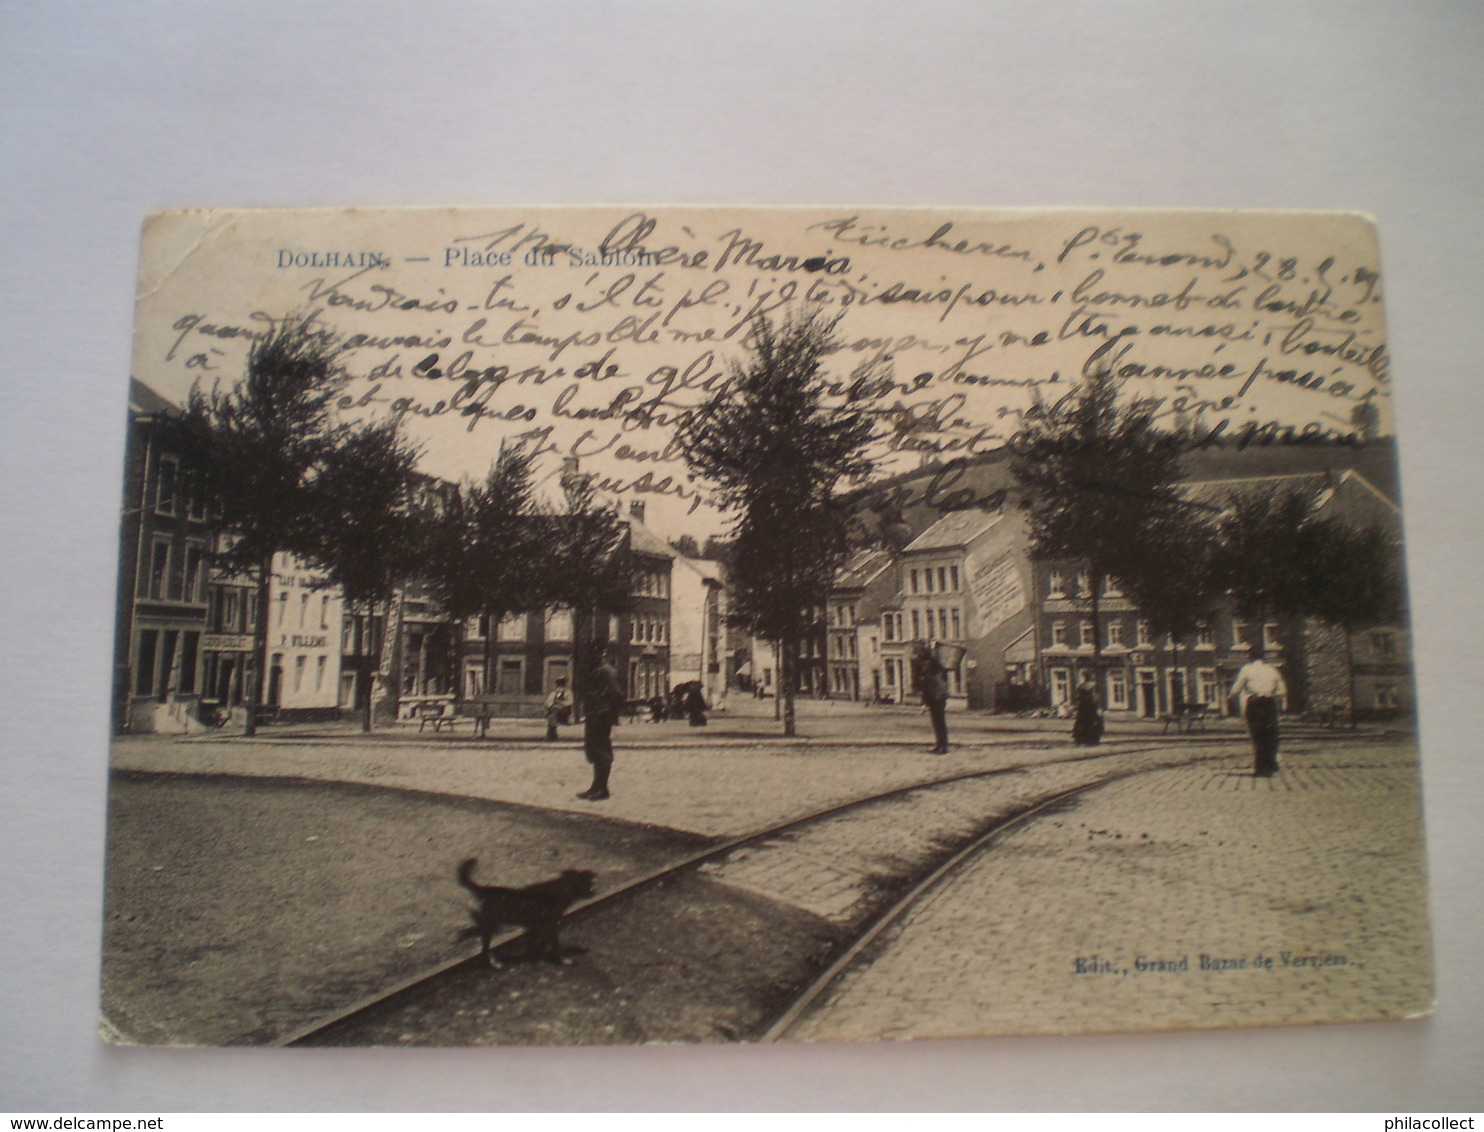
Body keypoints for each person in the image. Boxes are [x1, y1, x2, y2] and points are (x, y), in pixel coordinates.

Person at [1229, 645, 1287, 777]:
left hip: (1254, 703)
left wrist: (1233, 697)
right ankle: (1270, 765)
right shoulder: (1272, 670)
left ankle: (1260, 768)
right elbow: (1282, 690)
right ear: (1263, 658)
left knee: (1257, 735)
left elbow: (1236, 689)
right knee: (1270, 734)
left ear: (1250, 657)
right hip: (1269, 703)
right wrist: (1273, 696)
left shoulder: (1247, 669)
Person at [578, 648, 625, 801]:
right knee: (593, 751)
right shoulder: (597, 670)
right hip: (594, 715)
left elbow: (616, 693)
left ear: (601, 654)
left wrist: (608, 713)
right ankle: (596, 786)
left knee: (602, 751)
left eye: (593, 654)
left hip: (601, 716)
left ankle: (602, 789)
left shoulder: (606, 671)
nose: (590, 657)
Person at [913, 642, 950, 754]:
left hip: (937, 697)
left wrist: (924, 702)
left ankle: (942, 746)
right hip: (937, 697)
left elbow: (927, 686)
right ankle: (940, 745)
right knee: (938, 722)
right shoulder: (932, 665)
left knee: (939, 722)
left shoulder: (931, 667)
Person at [1072, 670, 1102, 746]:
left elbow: (1077, 697)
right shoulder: (1093, 686)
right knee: (1092, 722)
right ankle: (1092, 740)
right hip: (1091, 707)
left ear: (1084, 677)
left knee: (1081, 723)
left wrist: (1076, 706)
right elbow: (1095, 697)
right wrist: (1098, 707)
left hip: (1082, 707)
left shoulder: (1080, 686)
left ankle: (1080, 740)